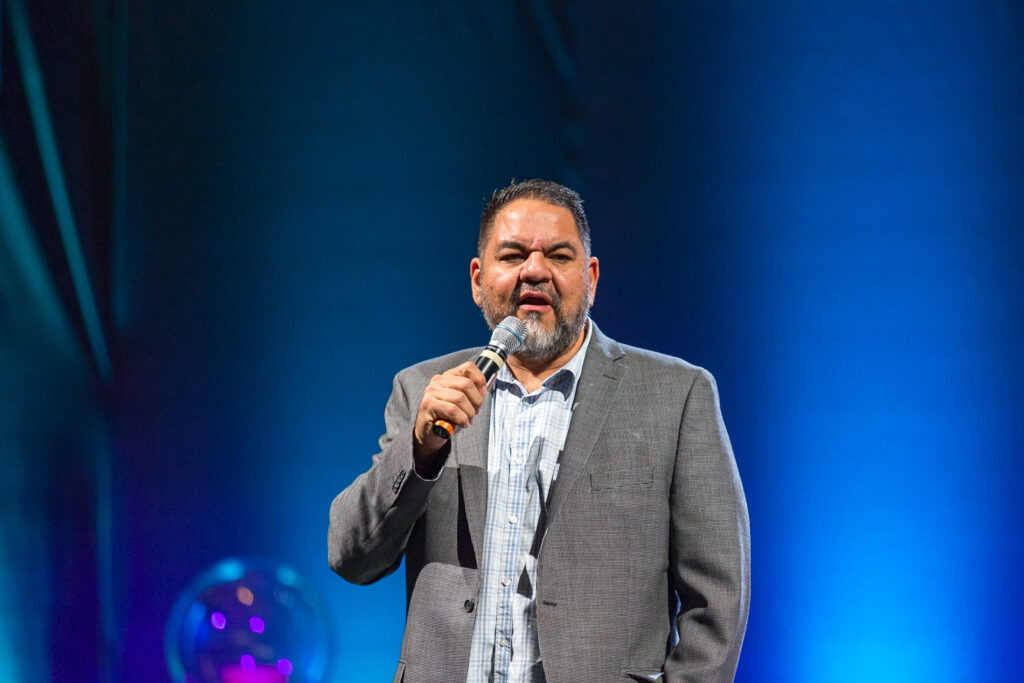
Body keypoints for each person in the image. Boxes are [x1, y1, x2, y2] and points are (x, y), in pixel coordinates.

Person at [328, 179, 750, 682]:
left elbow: (718, 599)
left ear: (590, 278)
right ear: (478, 279)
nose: (535, 270)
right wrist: (420, 450)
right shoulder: (424, 389)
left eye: (558, 255)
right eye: (512, 255)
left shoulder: (676, 395)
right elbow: (352, 556)